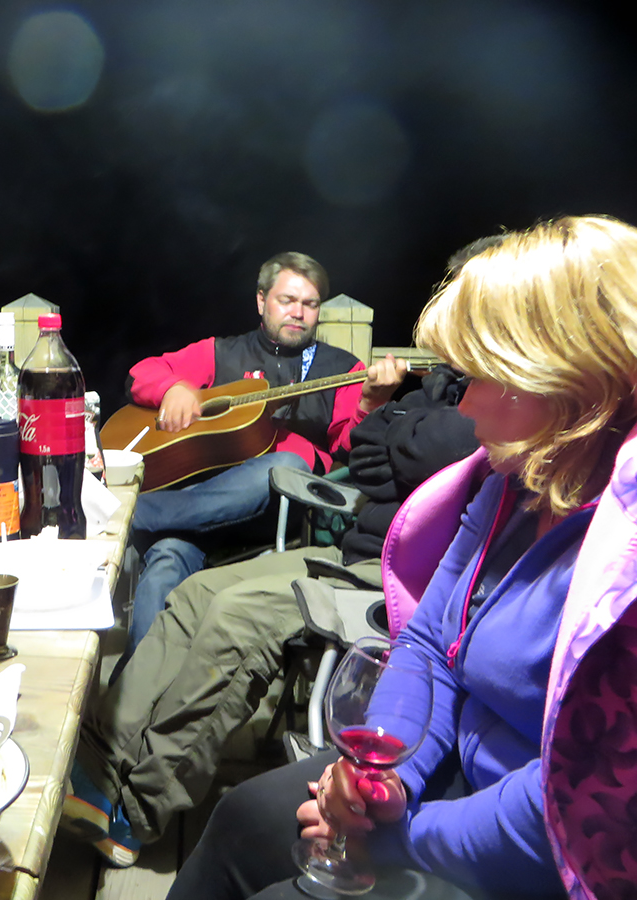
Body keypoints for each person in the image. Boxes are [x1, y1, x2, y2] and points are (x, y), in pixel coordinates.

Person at [166, 215, 637, 900]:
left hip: (551, 852)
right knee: (247, 818)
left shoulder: (624, 553)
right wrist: (380, 780)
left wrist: (396, 837)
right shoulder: (515, 483)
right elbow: (427, 645)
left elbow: (568, 803)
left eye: (488, 375)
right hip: (448, 769)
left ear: (575, 381)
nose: (466, 404)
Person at [65, 363, 479, 867]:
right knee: (196, 592)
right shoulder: (440, 387)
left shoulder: (496, 401)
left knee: (237, 618)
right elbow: (364, 447)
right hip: (350, 552)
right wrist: (393, 432)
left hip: (402, 578)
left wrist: (393, 428)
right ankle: (98, 763)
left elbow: (445, 446)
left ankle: (137, 808)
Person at [124, 252, 407, 657]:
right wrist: (174, 389)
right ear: (261, 301)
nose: (298, 313)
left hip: (279, 515)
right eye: (287, 300)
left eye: (310, 304)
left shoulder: (343, 368)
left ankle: (130, 515)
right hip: (198, 514)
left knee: (287, 464)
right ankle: (135, 685)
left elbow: (352, 447)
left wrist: (370, 402)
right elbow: (143, 373)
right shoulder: (222, 353)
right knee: (167, 558)